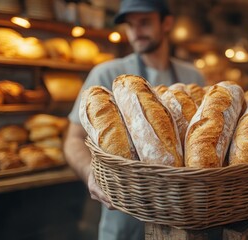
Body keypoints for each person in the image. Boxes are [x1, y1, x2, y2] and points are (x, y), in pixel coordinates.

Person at [63, 0, 205, 239]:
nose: (136, 31)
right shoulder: (105, 73)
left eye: (145, 22)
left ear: (167, 23)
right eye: (130, 25)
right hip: (123, 219)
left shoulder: (193, 76)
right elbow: (73, 139)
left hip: (186, 218)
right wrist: (90, 171)